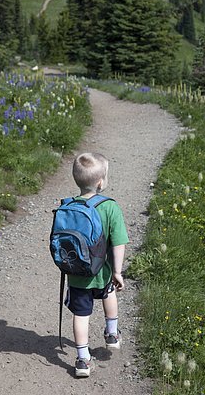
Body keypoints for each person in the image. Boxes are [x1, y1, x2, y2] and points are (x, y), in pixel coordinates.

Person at [66, 152, 129, 378]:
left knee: (81, 315)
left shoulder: (70, 206)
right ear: (101, 182)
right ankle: (112, 334)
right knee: (109, 292)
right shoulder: (109, 207)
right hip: (101, 271)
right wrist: (118, 271)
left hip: (76, 273)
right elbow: (119, 242)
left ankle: (83, 359)